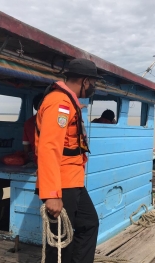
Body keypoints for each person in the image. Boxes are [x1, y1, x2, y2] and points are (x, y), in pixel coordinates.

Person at [35, 58, 101, 263]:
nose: (93, 87)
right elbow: (49, 148)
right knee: (60, 241)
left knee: (89, 223)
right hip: (62, 183)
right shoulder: (60, 103)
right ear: (85, 81)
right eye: (93, 83)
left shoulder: (68, 101)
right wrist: (52, 194)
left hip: (73, 180)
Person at [22, 93, 43, 163]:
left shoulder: (28, 123)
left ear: (34, 107)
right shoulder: (52, 121)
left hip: (36, 159)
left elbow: (26, 146)